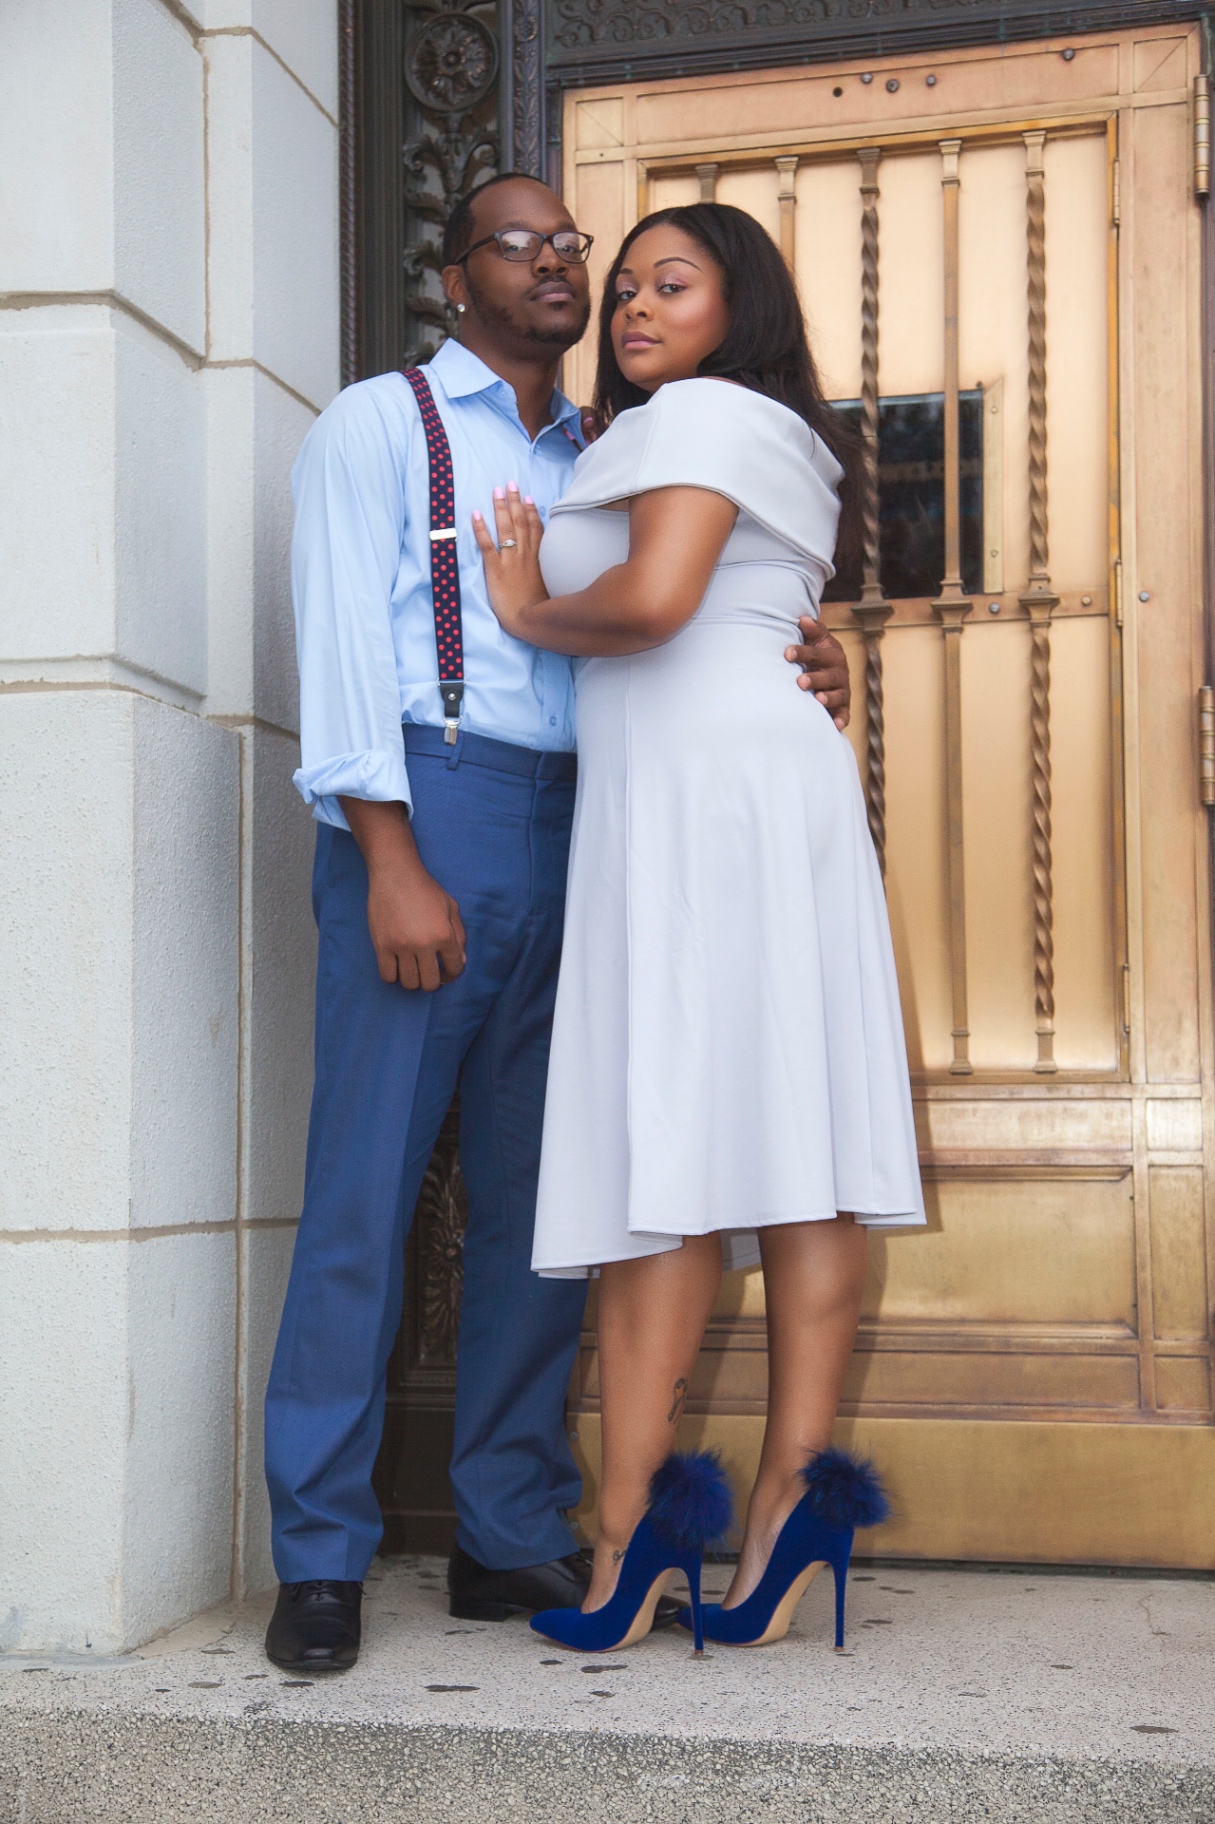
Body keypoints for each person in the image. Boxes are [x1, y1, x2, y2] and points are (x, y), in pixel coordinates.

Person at [262, 174, 854, 1672]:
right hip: (432, 804)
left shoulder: (610, 442)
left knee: (553, 1204)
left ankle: (505, 1529)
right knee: (365, 1199)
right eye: (520, 243)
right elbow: (340, 652)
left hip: (599, 824)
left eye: (576, 247)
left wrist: (805, 652)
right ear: (453, 277)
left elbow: (693, 603)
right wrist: (386, 852)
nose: (566, 267)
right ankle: (321, 1553)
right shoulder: (378, 423)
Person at [472, 202, 925, 1656]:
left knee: (670, 1149)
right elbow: (735, 597)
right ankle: (780, 1512)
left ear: (745, 304)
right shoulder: (765, 429)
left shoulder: (705, 413)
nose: (632, 309)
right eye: (623, 292)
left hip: (700, 800)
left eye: (672, 283)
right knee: (793, 1145)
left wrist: (528, 604)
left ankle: (631, 1538)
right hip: (731, 788)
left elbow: (660, 601)